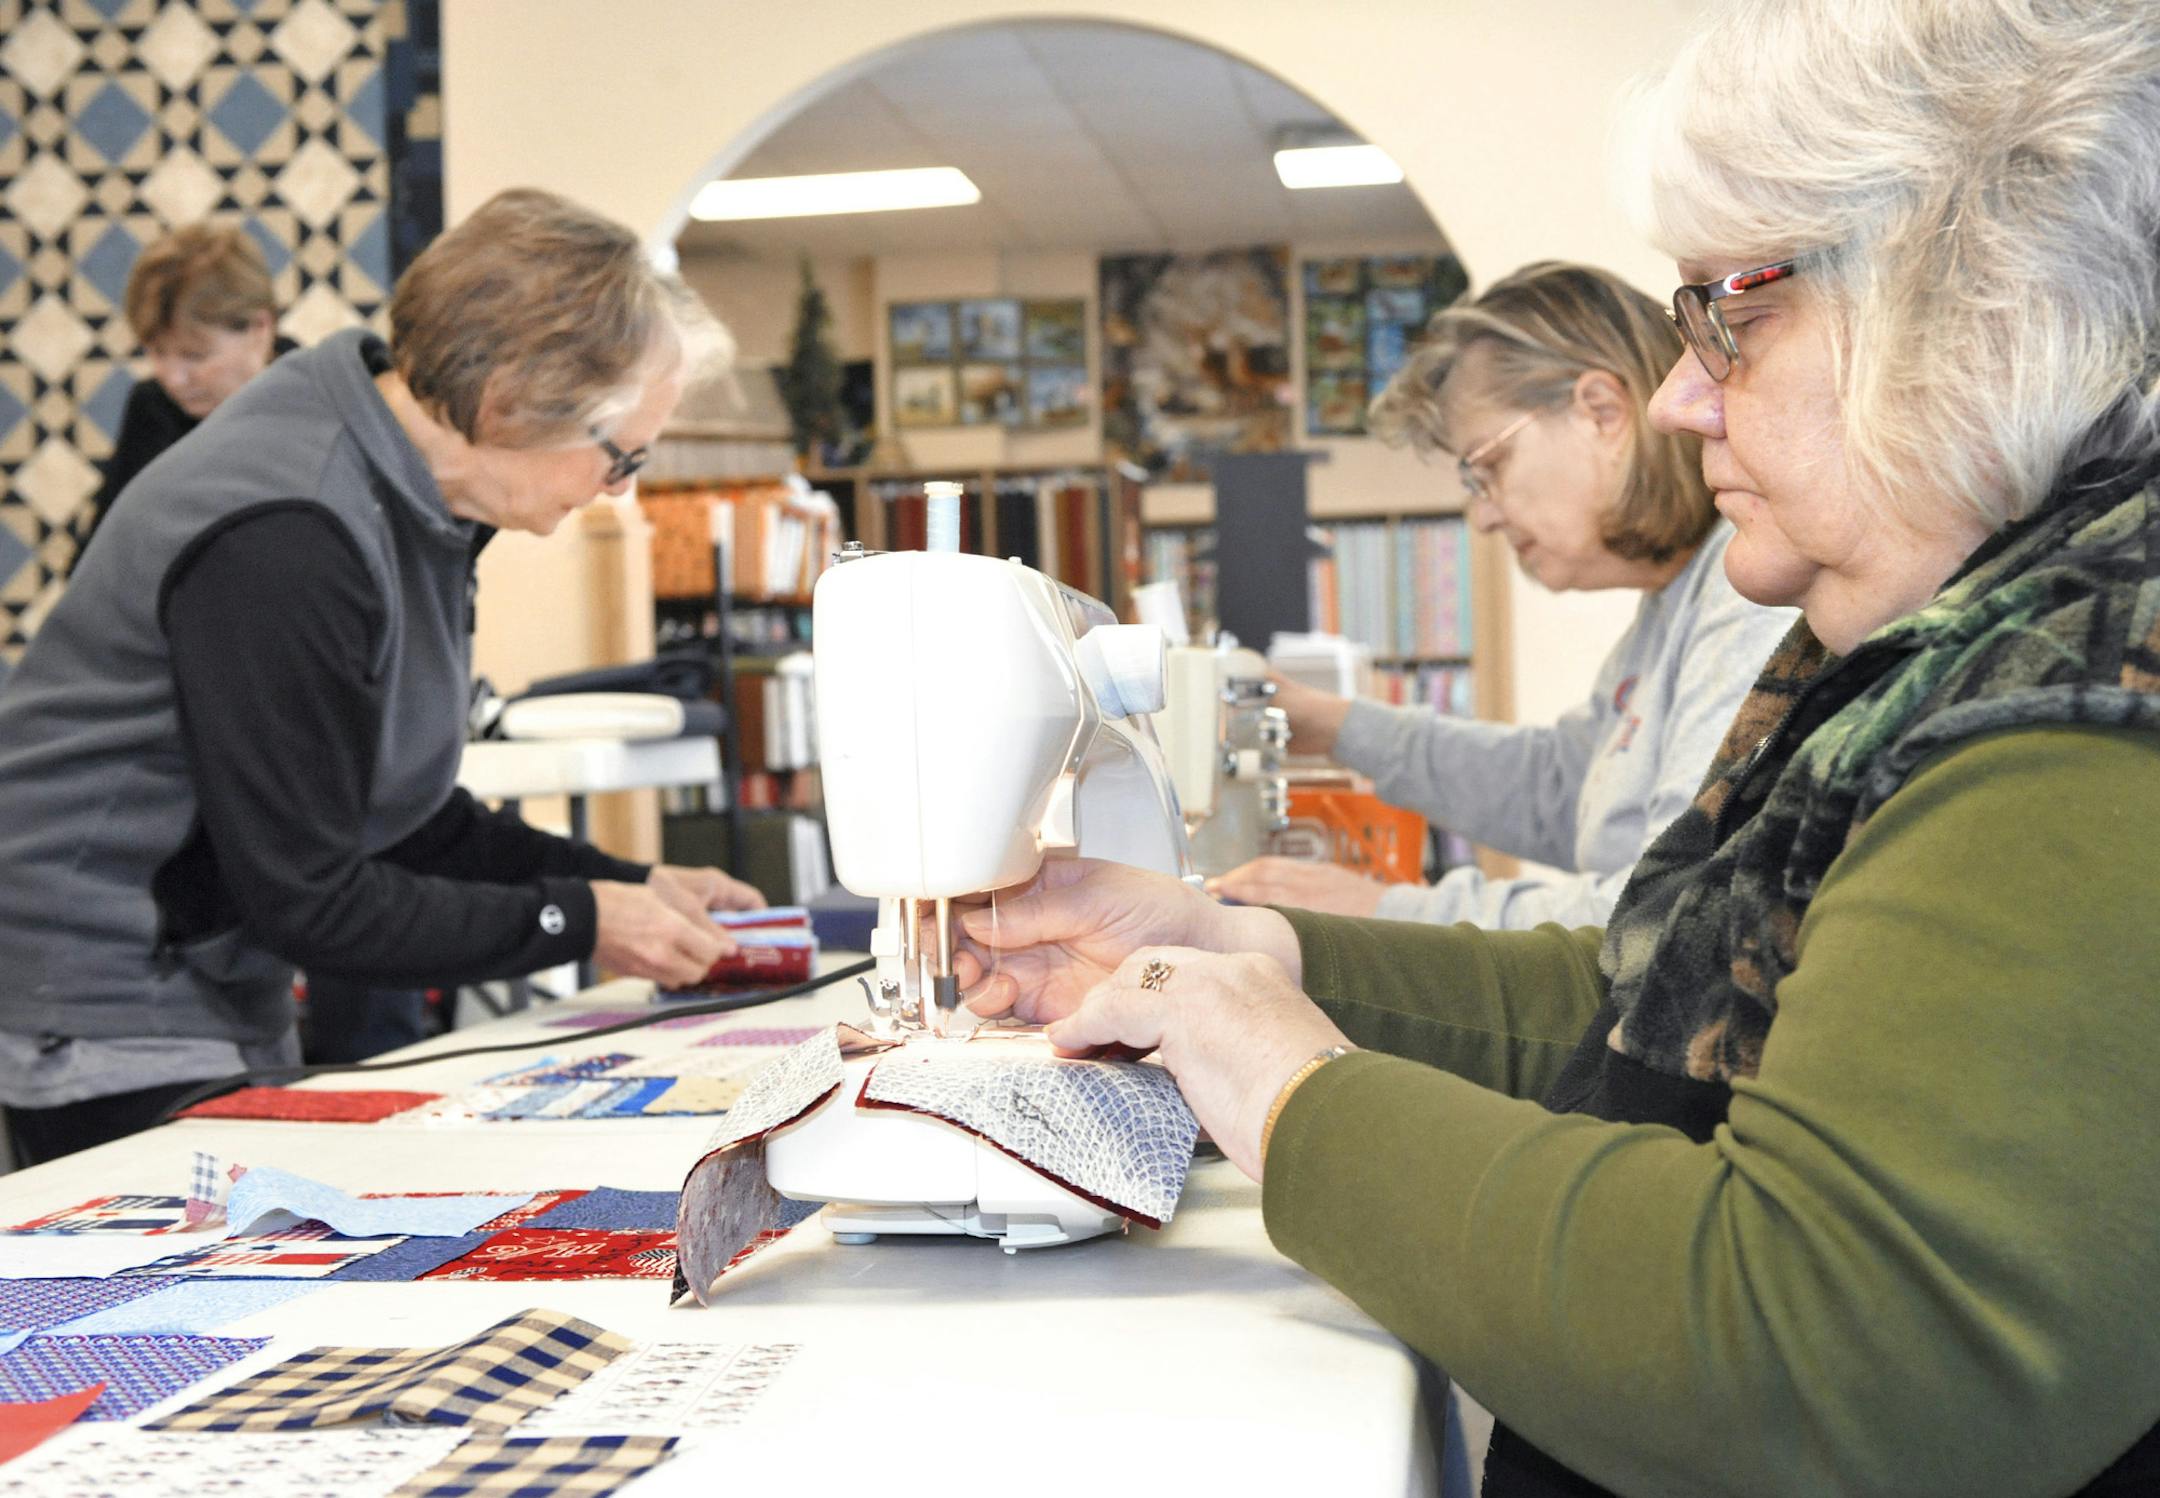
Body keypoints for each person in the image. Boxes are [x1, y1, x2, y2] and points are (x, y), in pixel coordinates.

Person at [960, 2, 2160, 1493]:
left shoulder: (2078, 703)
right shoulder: (1920, 637)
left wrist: (1291, 1089)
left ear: (1973, 296)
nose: (1679, 391)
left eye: (1731, 308)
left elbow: (1827, 1359)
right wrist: (1240, 947)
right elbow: (1647, 997)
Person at [0, 188, 763, 1167]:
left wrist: (632, 886)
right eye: (622, 457)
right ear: (509, 407)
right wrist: (579, 918)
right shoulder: (291, 534)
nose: (620, 488)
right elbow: (312, 898)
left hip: (208, 975)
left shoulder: (407, 487)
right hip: (107, 1004)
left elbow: (401, 816)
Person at [1212, 263, 1795, 926]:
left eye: (1488, 468)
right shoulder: (1669, 610)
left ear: (1601, 411)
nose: (1482, 516)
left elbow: (1664, 915)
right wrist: (1322, 721)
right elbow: (1556, 788)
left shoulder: (1746, 599)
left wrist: (1387, 913)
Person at [76, 223, 291, 565]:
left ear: (259, 329)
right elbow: (97, 562)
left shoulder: (316, 400)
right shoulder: (152, 407)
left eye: (195, 355)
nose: (173, 379)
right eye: (157, 352)